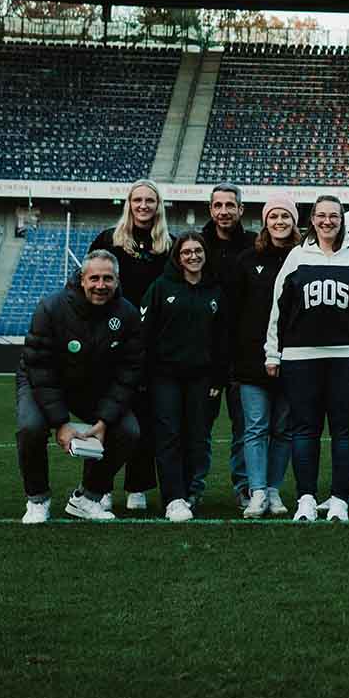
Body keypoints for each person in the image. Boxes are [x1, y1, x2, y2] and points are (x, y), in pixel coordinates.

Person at [265, 194, 349, 523]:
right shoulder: (296, 257)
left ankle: (341, 499)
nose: (328, 221)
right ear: (312, 220)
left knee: (346, 431)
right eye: (321, 215)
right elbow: (278, 309)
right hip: (302, 357)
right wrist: (273, 352)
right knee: (305, 430)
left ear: (342, 219)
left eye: (334, 215)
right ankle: (305, 498)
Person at [14, 249, 142, 523]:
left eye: (108, 279)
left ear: (117, 281)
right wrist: (60, 423)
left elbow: (129, 372)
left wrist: (105, 420)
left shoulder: (128, 315)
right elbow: (40, 367)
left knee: (128, 430)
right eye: (94, 278)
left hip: (91, 385)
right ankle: (37, 499)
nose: (100, 285)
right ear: (81, 279)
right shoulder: (51, 308)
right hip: (42, 379)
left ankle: (88, 498)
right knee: (31, 427)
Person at [90, 179, 170, 513]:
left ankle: (138, 486)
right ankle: (101, 485)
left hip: (152, 345)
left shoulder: (168, 245)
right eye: (137, 200)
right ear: (129, 203)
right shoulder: (108, 240)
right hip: (111, 342)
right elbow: (89, 285)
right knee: (106, 417)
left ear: (158, 205)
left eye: (149, 200)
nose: (143, 206)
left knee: (146, 419)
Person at [141, 232, 230, 523]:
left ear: (205, 253)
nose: (193, 256)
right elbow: (145, 334)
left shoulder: (216, 290)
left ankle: (190, 490)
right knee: (169, 436)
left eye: (198, 250)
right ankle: (173, 498)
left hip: (202, 379)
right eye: (186, 252)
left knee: (197, 437)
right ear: (178, 257)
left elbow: (222, 341)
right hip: (165, 377)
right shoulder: (161, 287)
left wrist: (218, 380)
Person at [230, 192, 300, 518]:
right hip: (251, 360)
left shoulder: (303, 258)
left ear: (294, 221)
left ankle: (273, 489)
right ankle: (256, 491)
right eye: (274, 216)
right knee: (255, 426)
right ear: (264, 220)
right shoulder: (247, 260)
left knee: (283, 428)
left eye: (285, 216)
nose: (280, 221)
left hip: (292, 358)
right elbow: (236, 312)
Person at [197, 183, 255, 512]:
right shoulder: (193, 244)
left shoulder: (251, 245)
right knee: (197, 428)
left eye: (230, 206)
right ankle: (192, 487)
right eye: (218, 205)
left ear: (240, 210)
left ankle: (244, 486)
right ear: (210, 209)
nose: (223, 212)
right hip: (202, 355)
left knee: (244, 428)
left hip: (241, 355)